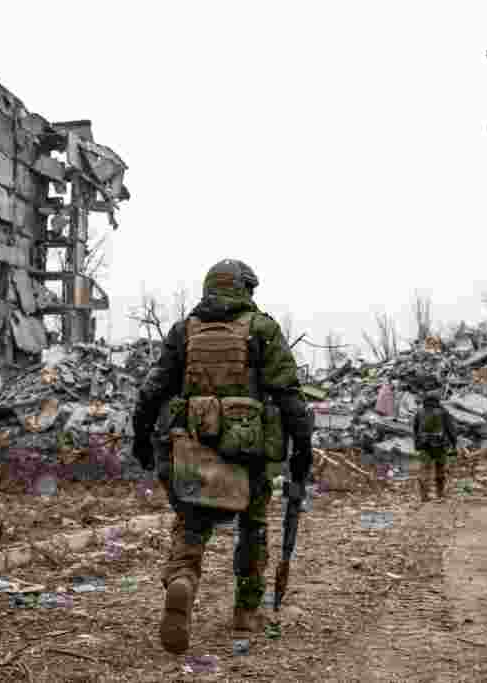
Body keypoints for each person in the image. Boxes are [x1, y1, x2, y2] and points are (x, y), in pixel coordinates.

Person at [131, 259, 314, 654]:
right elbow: (288, 395)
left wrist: (141, 439)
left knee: (192, 524)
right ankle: (246, 612)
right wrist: (303, 448)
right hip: (249, 454)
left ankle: (182, 580)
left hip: (192, 447)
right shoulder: (262, 329)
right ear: (245, 289)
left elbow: (153, 390)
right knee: (253, 526)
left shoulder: (185, 331)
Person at [412, 389, 457, 502]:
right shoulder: (443, 412)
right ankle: (440, 494)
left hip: (424, 445)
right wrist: (454, 444)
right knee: (440, 469)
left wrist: (417, 444)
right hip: (440, 446)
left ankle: (424, 496)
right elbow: (450, 429)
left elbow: (415, 430)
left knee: (424, 470)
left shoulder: (419, 412)